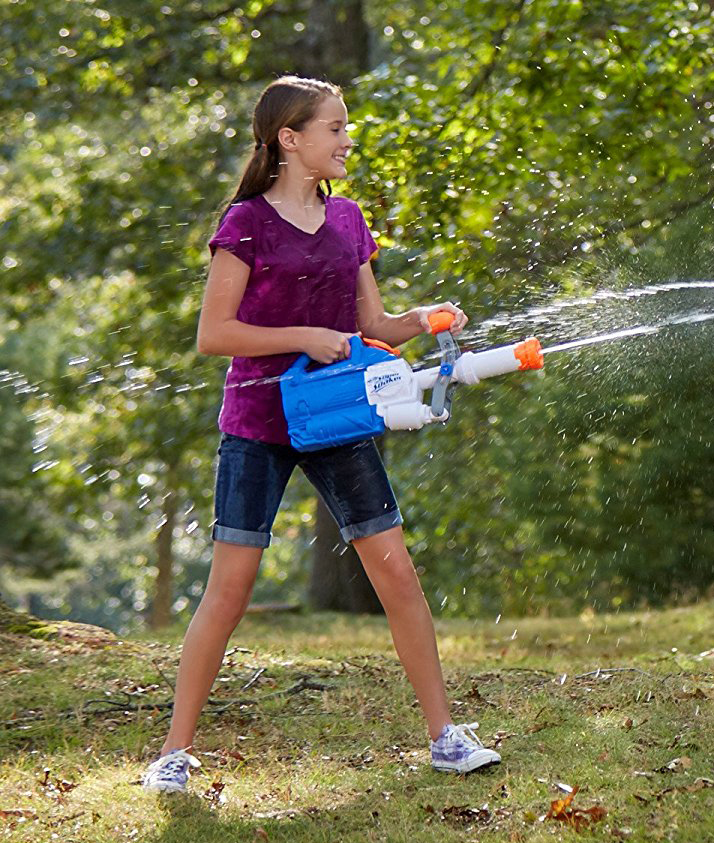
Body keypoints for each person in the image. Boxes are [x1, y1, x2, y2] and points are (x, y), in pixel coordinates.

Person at [142, 76, 500, 792]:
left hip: (338, 418)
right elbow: (214, 333)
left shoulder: (350, 221)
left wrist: (424, 320)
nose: (346, 140)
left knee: (397, 572)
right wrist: (304, 333)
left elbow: (373, 326)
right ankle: (173, 753)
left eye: (345, 128)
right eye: (334, 129)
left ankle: (445, 736)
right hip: (258, 422)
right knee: (231, 588)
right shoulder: (244, 223)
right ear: (289, 138)